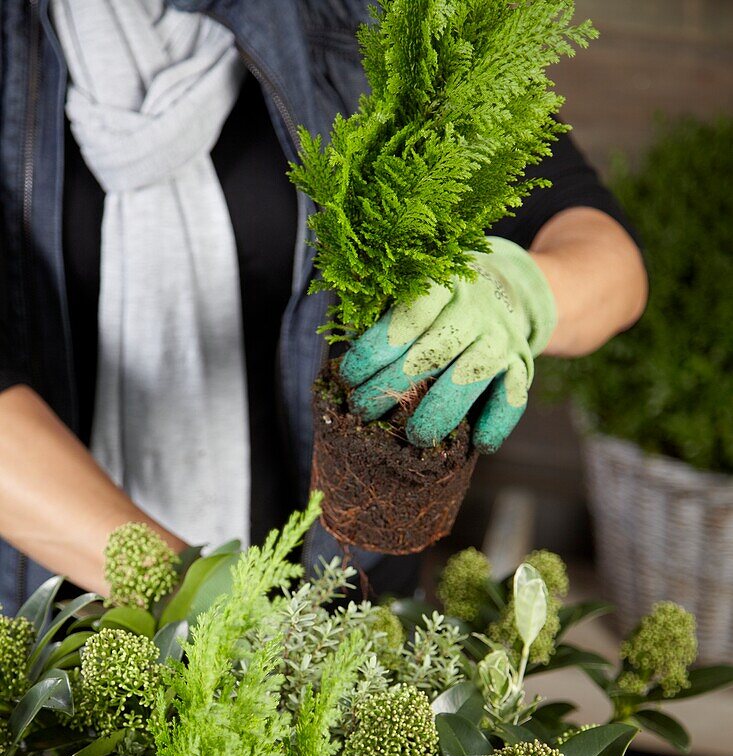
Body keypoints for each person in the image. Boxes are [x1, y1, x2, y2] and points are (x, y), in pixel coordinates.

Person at [0, 0, 647, 614]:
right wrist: (191, 597)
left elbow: (610, 263)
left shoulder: (357, 17)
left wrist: (518, 293)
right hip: (58, 619)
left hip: (345, 602)